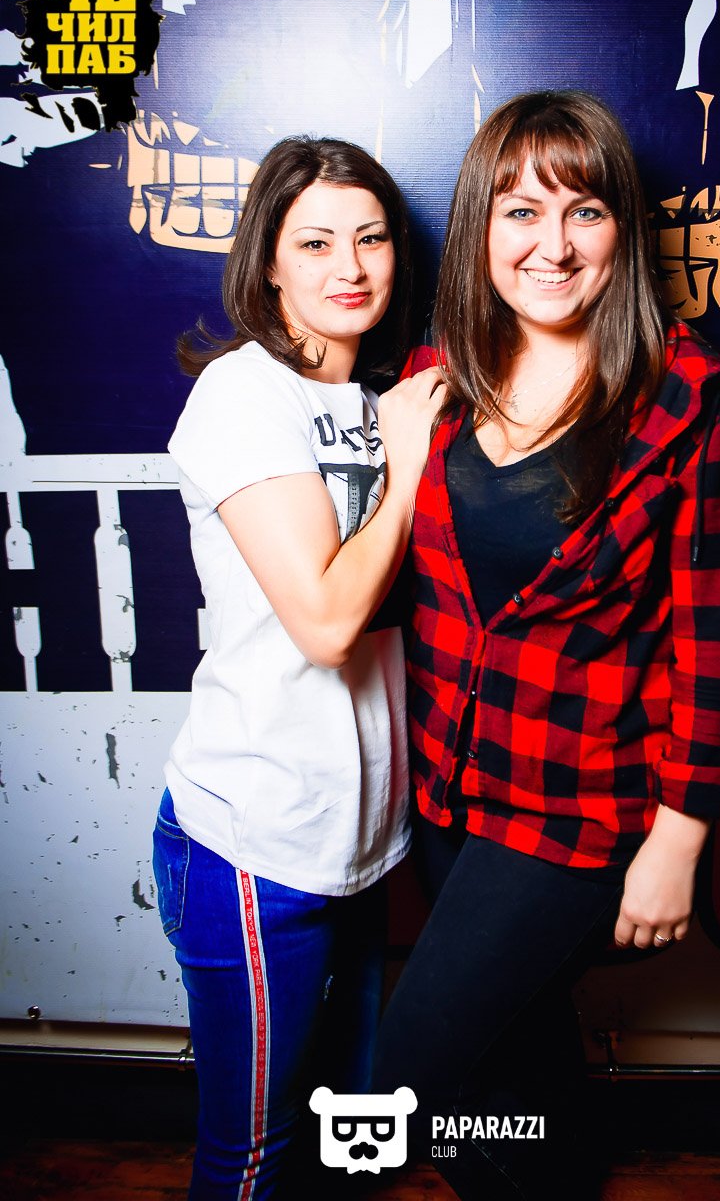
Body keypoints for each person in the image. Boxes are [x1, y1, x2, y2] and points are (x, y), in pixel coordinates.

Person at [373, 91, 720, 1199]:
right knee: (514, 1061)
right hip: (448, 791)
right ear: (480, 226)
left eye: (583, 212)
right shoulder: (434, 378)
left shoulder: (690, 405)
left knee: (407, 1073)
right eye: (519, 212)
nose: (550, 246)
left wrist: (677, 842)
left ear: (620, 231)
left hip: (578, 812)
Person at [151, 135, 444, 1199]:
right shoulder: (243, 394)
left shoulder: (384, 395)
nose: (349, 266)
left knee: (349, 1127)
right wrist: (404, 469)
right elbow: (325, 622)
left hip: (362, 838)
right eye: (315, 242)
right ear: (268, 263)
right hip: (257, 838)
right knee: (252, 1153)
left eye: (370, 238)